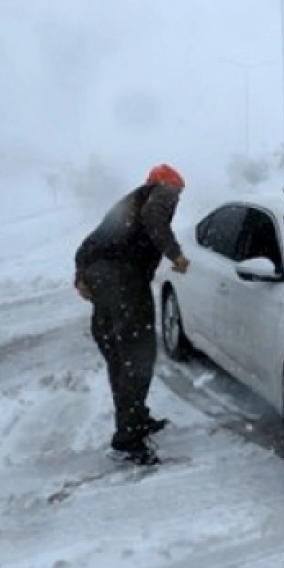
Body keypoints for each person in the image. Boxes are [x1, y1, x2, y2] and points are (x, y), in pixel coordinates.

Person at [74, 163, 191, 465]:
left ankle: (135, 420)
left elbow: (87, 245)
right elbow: (154, 219)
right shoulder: (158, 195)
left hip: (103, 277)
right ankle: (128, 438)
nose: (177, 199)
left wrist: (81, 276)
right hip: (122, 279)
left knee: (118, 354)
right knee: (137, 353)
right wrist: (175, 254)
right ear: (167, 186)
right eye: (177, 192)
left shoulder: (127, 204)